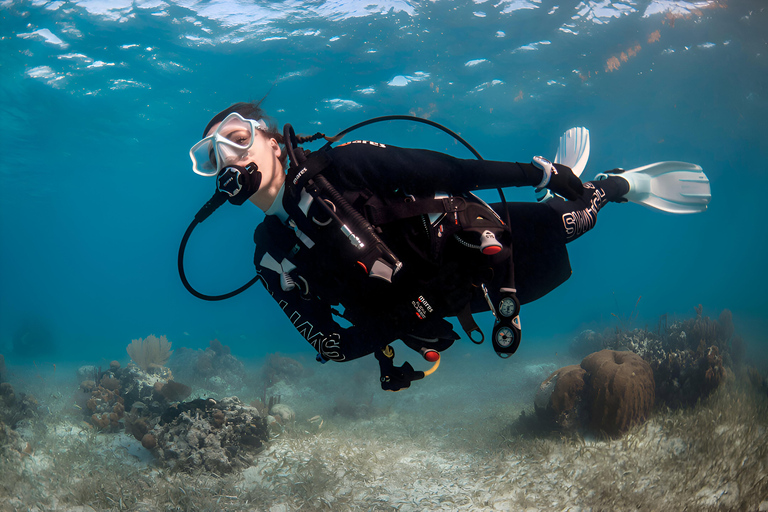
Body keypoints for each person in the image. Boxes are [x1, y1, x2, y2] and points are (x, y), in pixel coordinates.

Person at [182, 100, 711, 390]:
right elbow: (332, 344)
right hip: (456, 302)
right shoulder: (269, 255)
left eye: (238, 138)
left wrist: (541, 173)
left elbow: (451, 171)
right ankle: (568, 191)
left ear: (274, 143)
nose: (228, 158)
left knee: (575, 221)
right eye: (212, 156)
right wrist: (408, 316)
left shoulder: (344, 164)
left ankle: (615, 184)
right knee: (552, 254)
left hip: (473, 243)